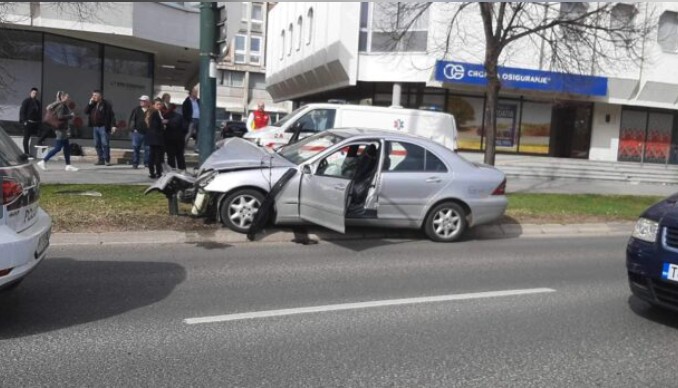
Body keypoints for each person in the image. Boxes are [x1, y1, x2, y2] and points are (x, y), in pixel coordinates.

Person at [36, 91, 79, 172]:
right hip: (60, 130)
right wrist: (71, 116)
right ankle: (43, 161)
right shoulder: (61, 106)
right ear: (62, 98)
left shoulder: (62, 105)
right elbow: (60, 117)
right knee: (58, 148)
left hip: (62, 129)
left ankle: (68, 165)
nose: (69, 98)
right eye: (67, 97)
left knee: (66, 147)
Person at [85, 89, 116, 166]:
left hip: (103, 126)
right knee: (96, 143)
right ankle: (100, 159)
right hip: (95, 127)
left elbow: (111, 115)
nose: (93, 97)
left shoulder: (106, 104)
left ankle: (106, 159)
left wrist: (113, 125)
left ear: (100, 96)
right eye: (93, 95)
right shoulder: (92, 104)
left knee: (105, 143)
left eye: (95, 95)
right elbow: (86, 111)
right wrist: (89, 103)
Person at [128, 95, 151, 169]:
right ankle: (135, 163)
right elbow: (132, 119)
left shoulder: (151, 110)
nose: (141, 102)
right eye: (141, 100)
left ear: (147, 102)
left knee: (147, 149)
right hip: (137, 132)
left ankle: (146, 163)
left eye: (143, 101)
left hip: (148, 133)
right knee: (136, 148)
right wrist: (132, 129)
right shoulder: (136, 109)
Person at [145, 98, 166, 179]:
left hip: (152, 137)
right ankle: (157, 172)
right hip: (156, 137)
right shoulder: (155, 112)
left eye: (160, 104)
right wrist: (163, 124)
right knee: (157, 156)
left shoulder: (151, 112)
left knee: (152, 155)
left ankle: (152, 172)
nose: (159, 106)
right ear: (153, 105)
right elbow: (155, 124)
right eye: (157, 104)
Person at [163, 102, 187, 173]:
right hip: (179, 139)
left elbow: (176, 125)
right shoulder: (179, 116)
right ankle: (182, 169)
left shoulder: (167, 116)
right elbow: (185, 127)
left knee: (171, 156)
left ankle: (173, 170)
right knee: (179, 156)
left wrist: (168, 122)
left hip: (171, 139)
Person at [19, 87, 42, 156]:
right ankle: (26, 153)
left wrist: (39, 121)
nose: (35, 94)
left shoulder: (37, 102)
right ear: (30, 93)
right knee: (26, 138)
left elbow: (39, 113)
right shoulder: (26, 101)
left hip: (35, 123)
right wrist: (24, 121)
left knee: (46, 130)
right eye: (33, 93)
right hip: (28, 122)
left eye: (36, 93)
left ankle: (40, 141)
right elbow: (22, 112)